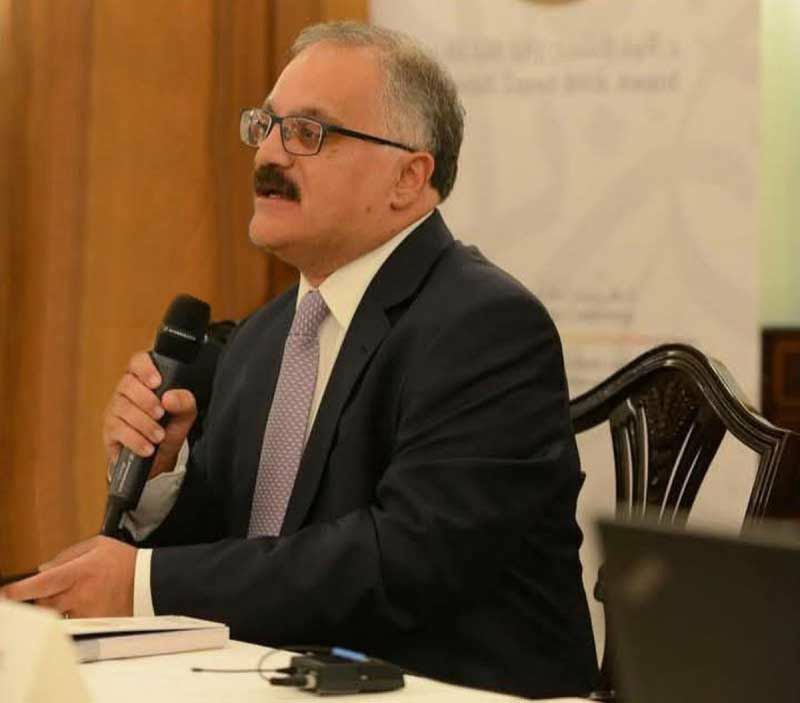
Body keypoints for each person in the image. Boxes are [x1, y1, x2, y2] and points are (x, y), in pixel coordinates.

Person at [3, 21, 598, 698]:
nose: (268, 155)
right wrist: (163, 477)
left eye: (309, 133)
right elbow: (237, 549)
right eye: (266, 126)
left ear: (408, 177)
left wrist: (142, 582)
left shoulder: (484, 326)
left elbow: (404, 560)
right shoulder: (263, 337)